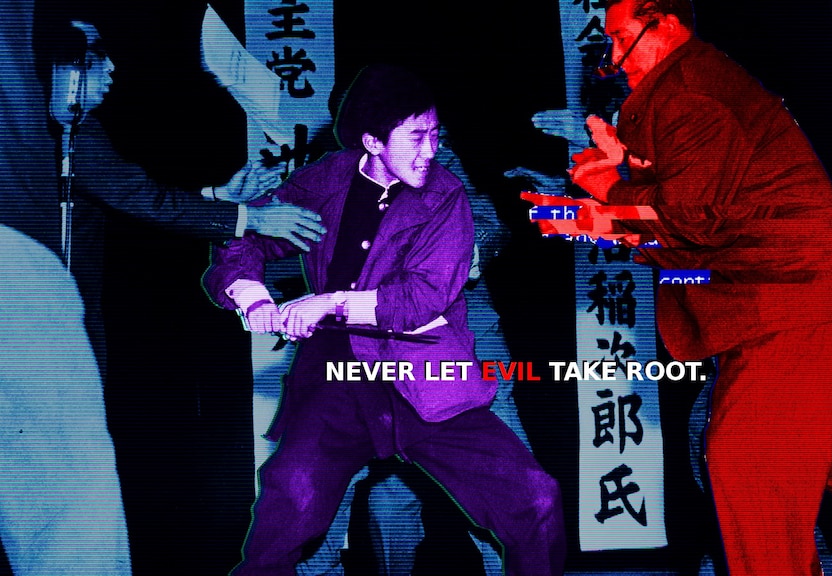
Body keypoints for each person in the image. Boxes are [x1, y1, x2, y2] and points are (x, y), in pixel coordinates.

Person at [568, 1, 832, 574]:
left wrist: (610, 190)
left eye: (621, 37)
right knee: (828, 448)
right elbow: (702, 211)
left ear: (666, 24)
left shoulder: (690, 93)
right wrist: (619, 190)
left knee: (744, 458)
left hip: (798, 296)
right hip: (785, 293)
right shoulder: (683, 88)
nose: (613, 56)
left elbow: (692, 217)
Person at [203, 63, 564, 576]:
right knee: (289, 507)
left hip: (425, 377)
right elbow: (251, 237)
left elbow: (420, 299)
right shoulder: (326, 179)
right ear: (371, 142)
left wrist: (327, 303)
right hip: (337, 379)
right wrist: (253, 296)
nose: (431, 150)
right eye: (416, 136)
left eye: (435, 134)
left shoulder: (444, 194)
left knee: (534, 497)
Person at [36, 18, 326, 372]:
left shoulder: (81, 129)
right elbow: (140, 199)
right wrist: (253, 218)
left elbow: (134, 201)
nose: (112, 66)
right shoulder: (54, 135)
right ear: (66, 70)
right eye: (98, 55)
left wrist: (220, 195)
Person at [0, 3, 129, 574]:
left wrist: (221, 201)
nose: (110, 70)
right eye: (91, 59)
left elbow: (132, 192)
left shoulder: (79, 137)